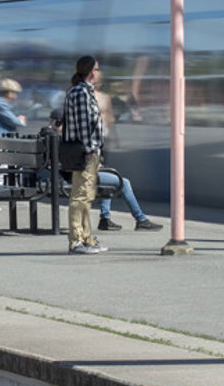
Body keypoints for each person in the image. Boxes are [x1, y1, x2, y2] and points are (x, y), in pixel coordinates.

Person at [92, 89, 162, 232]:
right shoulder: (85, 137)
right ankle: (140, 219)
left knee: (109, 178)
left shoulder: (66, 137)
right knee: (124, 183)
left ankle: (105, 218)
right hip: (84, 173)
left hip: (75, 173)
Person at [63, 56, 107, 254]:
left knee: (86, 197)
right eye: (97, 69)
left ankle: (87, 237)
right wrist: (90, 149)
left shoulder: (83, 91)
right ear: (91, 71)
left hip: (89, 151)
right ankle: (76, 240)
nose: (98, 72)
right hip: (85, 152)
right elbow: (83, 125)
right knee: (80, 196)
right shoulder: (81, 92)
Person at [0, 78, 26, 213]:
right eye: (13, 92)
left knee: (7, 167)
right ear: (7, 92)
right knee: (2, 169)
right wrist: (20, 120)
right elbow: (14, 121)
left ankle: (7, 193)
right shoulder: (0, 104)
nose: (15, 96)